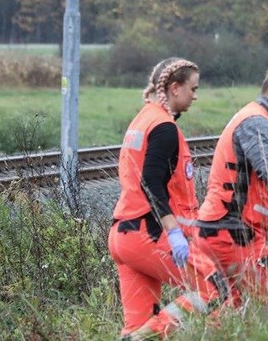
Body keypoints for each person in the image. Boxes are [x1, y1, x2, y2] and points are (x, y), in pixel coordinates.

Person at [108, 58, 228, 338]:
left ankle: (137, 335)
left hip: (122, 235)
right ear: (175, 88)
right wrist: (174, 232)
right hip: (148, 234)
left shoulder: (143, 119)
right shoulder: (164, 128)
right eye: (192, 89)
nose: (195, 96)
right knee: (214, 288)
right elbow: (151, 182)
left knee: (138, 323)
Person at [194, 67, 268, 304]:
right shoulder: (256, 122)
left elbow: (260, 190)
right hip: (232, 236)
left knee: (228, 312)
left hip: (222, 233)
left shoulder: (259, 121)